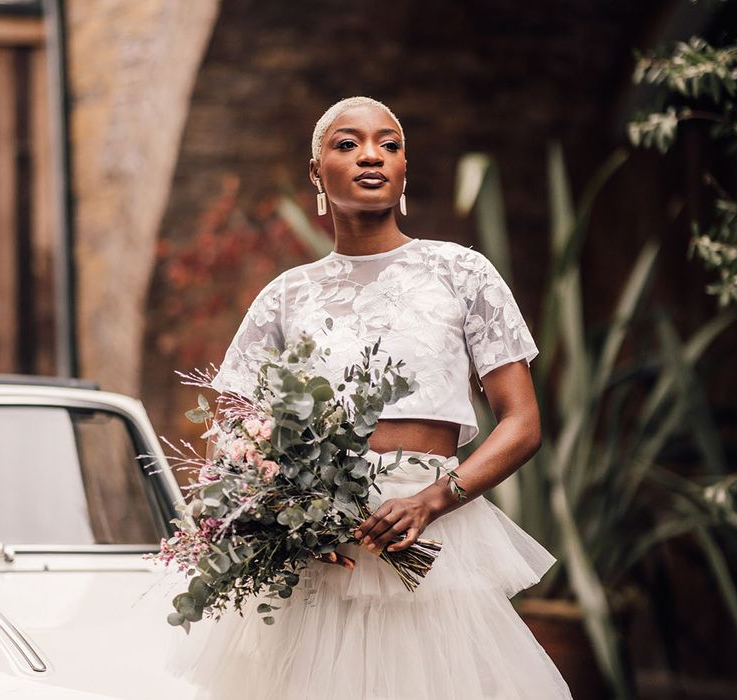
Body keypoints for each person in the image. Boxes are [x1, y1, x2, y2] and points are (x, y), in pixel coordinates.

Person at [167, 96, 574, 699]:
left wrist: (436, 498)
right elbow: (234, 435)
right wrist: (293, 516)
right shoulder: (287, 295)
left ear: (405, 169)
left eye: (390, 144)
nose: (371, 157)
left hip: (434, 538)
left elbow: (523, 423)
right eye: (347, 143)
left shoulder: (462, 273)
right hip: (322, 554)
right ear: (316, 172)